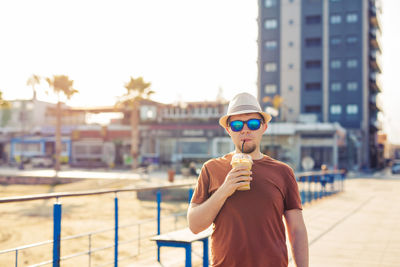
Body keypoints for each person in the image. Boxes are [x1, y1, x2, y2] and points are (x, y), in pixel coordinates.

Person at [187, 92, 309, 267]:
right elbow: (194, 225)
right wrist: (224, 190)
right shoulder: (211, 169)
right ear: (229, 130)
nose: (245, 130)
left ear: (263, 127)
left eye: (253, 123)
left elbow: (297, 230)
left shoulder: (283, 172)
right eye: (237, 125)